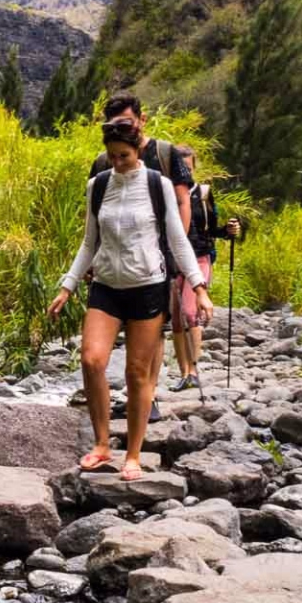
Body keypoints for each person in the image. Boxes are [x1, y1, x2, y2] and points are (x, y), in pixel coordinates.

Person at [46, 121, 214, 481]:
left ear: (138, 151)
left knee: (137, 373)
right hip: (106, 285)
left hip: (147, 286)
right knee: (91, 360)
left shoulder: (158, 185)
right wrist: (67, 286)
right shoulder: (99, 186)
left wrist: (199, 287)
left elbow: (176, 239)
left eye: (123, 156)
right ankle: (102, 444)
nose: (117, 162)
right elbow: (89, 243)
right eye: (112, 156)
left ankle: (134, 455)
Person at [88, 95, 193, 417]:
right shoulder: (104, 162)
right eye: (113, 125)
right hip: (113, 260)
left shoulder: (164, 153)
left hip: (157, 256)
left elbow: (182, 201)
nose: (120, 129)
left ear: (141, 120)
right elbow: (97, 214)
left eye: (125, 123)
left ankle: (149, 396)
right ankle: (135, 396)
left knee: (154, 327)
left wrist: (175, 252)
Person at [170, 181, 244, 391]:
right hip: (173, 261)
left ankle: (193, 373)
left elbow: (212, 230)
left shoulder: (203, 194)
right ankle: (184, 372)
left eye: (187, 167)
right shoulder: (164, 190)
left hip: (200, 258)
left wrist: (229, 231)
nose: (183, 172)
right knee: (176, 318)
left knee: (190, 312)